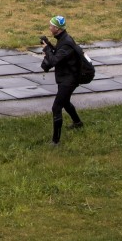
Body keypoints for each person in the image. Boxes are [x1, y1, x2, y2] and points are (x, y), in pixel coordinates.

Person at [40, 15, 84, 145]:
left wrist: (47, 49)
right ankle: (78, 123)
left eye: (51, 26)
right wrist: (49, 45)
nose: (49, 27)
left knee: (56, 107)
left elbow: (54, 60)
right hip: (66, 77)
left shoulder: (66, 43)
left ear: (57, 29)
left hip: (69, 79)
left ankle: (55, 141)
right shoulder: (63, 39)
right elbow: (59, 55)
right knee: (65, 102)